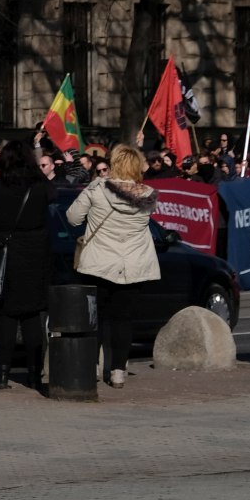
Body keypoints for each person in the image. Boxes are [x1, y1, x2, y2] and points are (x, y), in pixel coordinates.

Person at [66, 143, 161, 389]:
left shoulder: (97, 188)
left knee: (95, 318)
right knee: (122, 319)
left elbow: (73, 217)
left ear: (114, 164)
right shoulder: (148, 195)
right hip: (132, 265)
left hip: (98, 263)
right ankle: (118, 370)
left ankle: (92, 368)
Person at [0, 138, 53, 390]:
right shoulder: (38, 188)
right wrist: (34, 168)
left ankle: (2, 374)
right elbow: (53, 191)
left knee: (6, 315)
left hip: (4, 257)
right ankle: (35, 373)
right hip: (34, 258)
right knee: (31, 316)